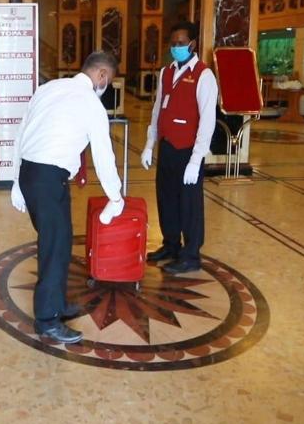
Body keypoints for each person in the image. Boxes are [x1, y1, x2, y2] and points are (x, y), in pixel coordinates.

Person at [11, 52, 125, 343]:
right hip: (48, 179)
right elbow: (103, 155)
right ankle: (47, 320)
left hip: (33, 174)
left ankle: (58, 303)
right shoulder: (91, 103)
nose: (106, 86)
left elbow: (21, 133)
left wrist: (16, 180)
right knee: (53, 246)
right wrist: (116, 196)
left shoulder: (48, 88)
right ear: (101, 75)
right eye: (108, 80)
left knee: (61, 242)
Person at [140, 21, 218, 274]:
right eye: (173, 43)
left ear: (192, 44)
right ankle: (171, 245)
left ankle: (191, 254)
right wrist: (150, 144)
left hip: (188, 149)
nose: (176, 47)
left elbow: (207, 121)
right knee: (167, 198)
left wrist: (196, 159)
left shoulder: (204, 76)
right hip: (167, 146)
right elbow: (157, 110)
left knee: (189, 204)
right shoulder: (166, 72)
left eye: (181, 43)